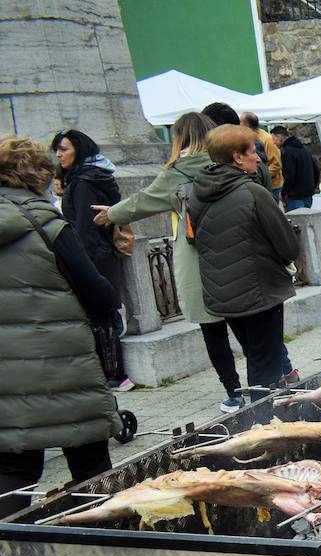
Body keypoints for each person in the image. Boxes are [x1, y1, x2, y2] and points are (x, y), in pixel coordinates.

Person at [0, 134, 121, 516]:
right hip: (64, 370)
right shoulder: (45, 222)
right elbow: (99, 295)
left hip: (6, 381)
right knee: (92, 474)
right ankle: (107, 553)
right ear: (38, 175)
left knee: (13, 477)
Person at [96, 113, 245, 412]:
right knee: (250, 324)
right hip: (238, 250)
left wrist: (112, 214)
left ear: (179, 138)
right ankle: (271, 380)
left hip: (198, 257)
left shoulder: (178, 173)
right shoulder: (233, 163)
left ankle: (235, 391)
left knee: (212, 328)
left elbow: (144, 200)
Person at [188, 125, 299, 390]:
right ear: (237, 157)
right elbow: (288, 247)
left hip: (223, 293)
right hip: (259, 292)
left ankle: (266, 416)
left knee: (256, 357)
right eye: (252, 151)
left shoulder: (198, 193)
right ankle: (263, 421)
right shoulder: (253, 193)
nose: (258, 158)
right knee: (266, 366)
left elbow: (195, 239)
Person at [50, 129, 132, 392]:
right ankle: (115, 374)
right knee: (104, 316)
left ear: (79, 150)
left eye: (64, 149)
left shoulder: (84, 182)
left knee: (102, 318)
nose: (59, 155)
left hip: (93, 257)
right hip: (97, 255)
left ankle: (116, 375)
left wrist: (81, 265)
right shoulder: (84, 178)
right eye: (57, 150)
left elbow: (85, 228)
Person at [273, 125, 321, 212]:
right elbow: (316, 170)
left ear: (279, 137)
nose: (273, 143)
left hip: (295, 197)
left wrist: (283, 193)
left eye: (274, 139)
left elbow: (289, 176)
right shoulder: (304, 149)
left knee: (297, 223)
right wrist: (312, 187)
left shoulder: (287, 151)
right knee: (307, 223)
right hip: (308, 195)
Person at [240, 112, 283, 200]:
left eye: (240, 122)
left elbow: (276, 164)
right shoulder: (247, 137)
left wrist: (261, 176)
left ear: (247, 125)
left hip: (272, 186)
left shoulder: (267, 139)